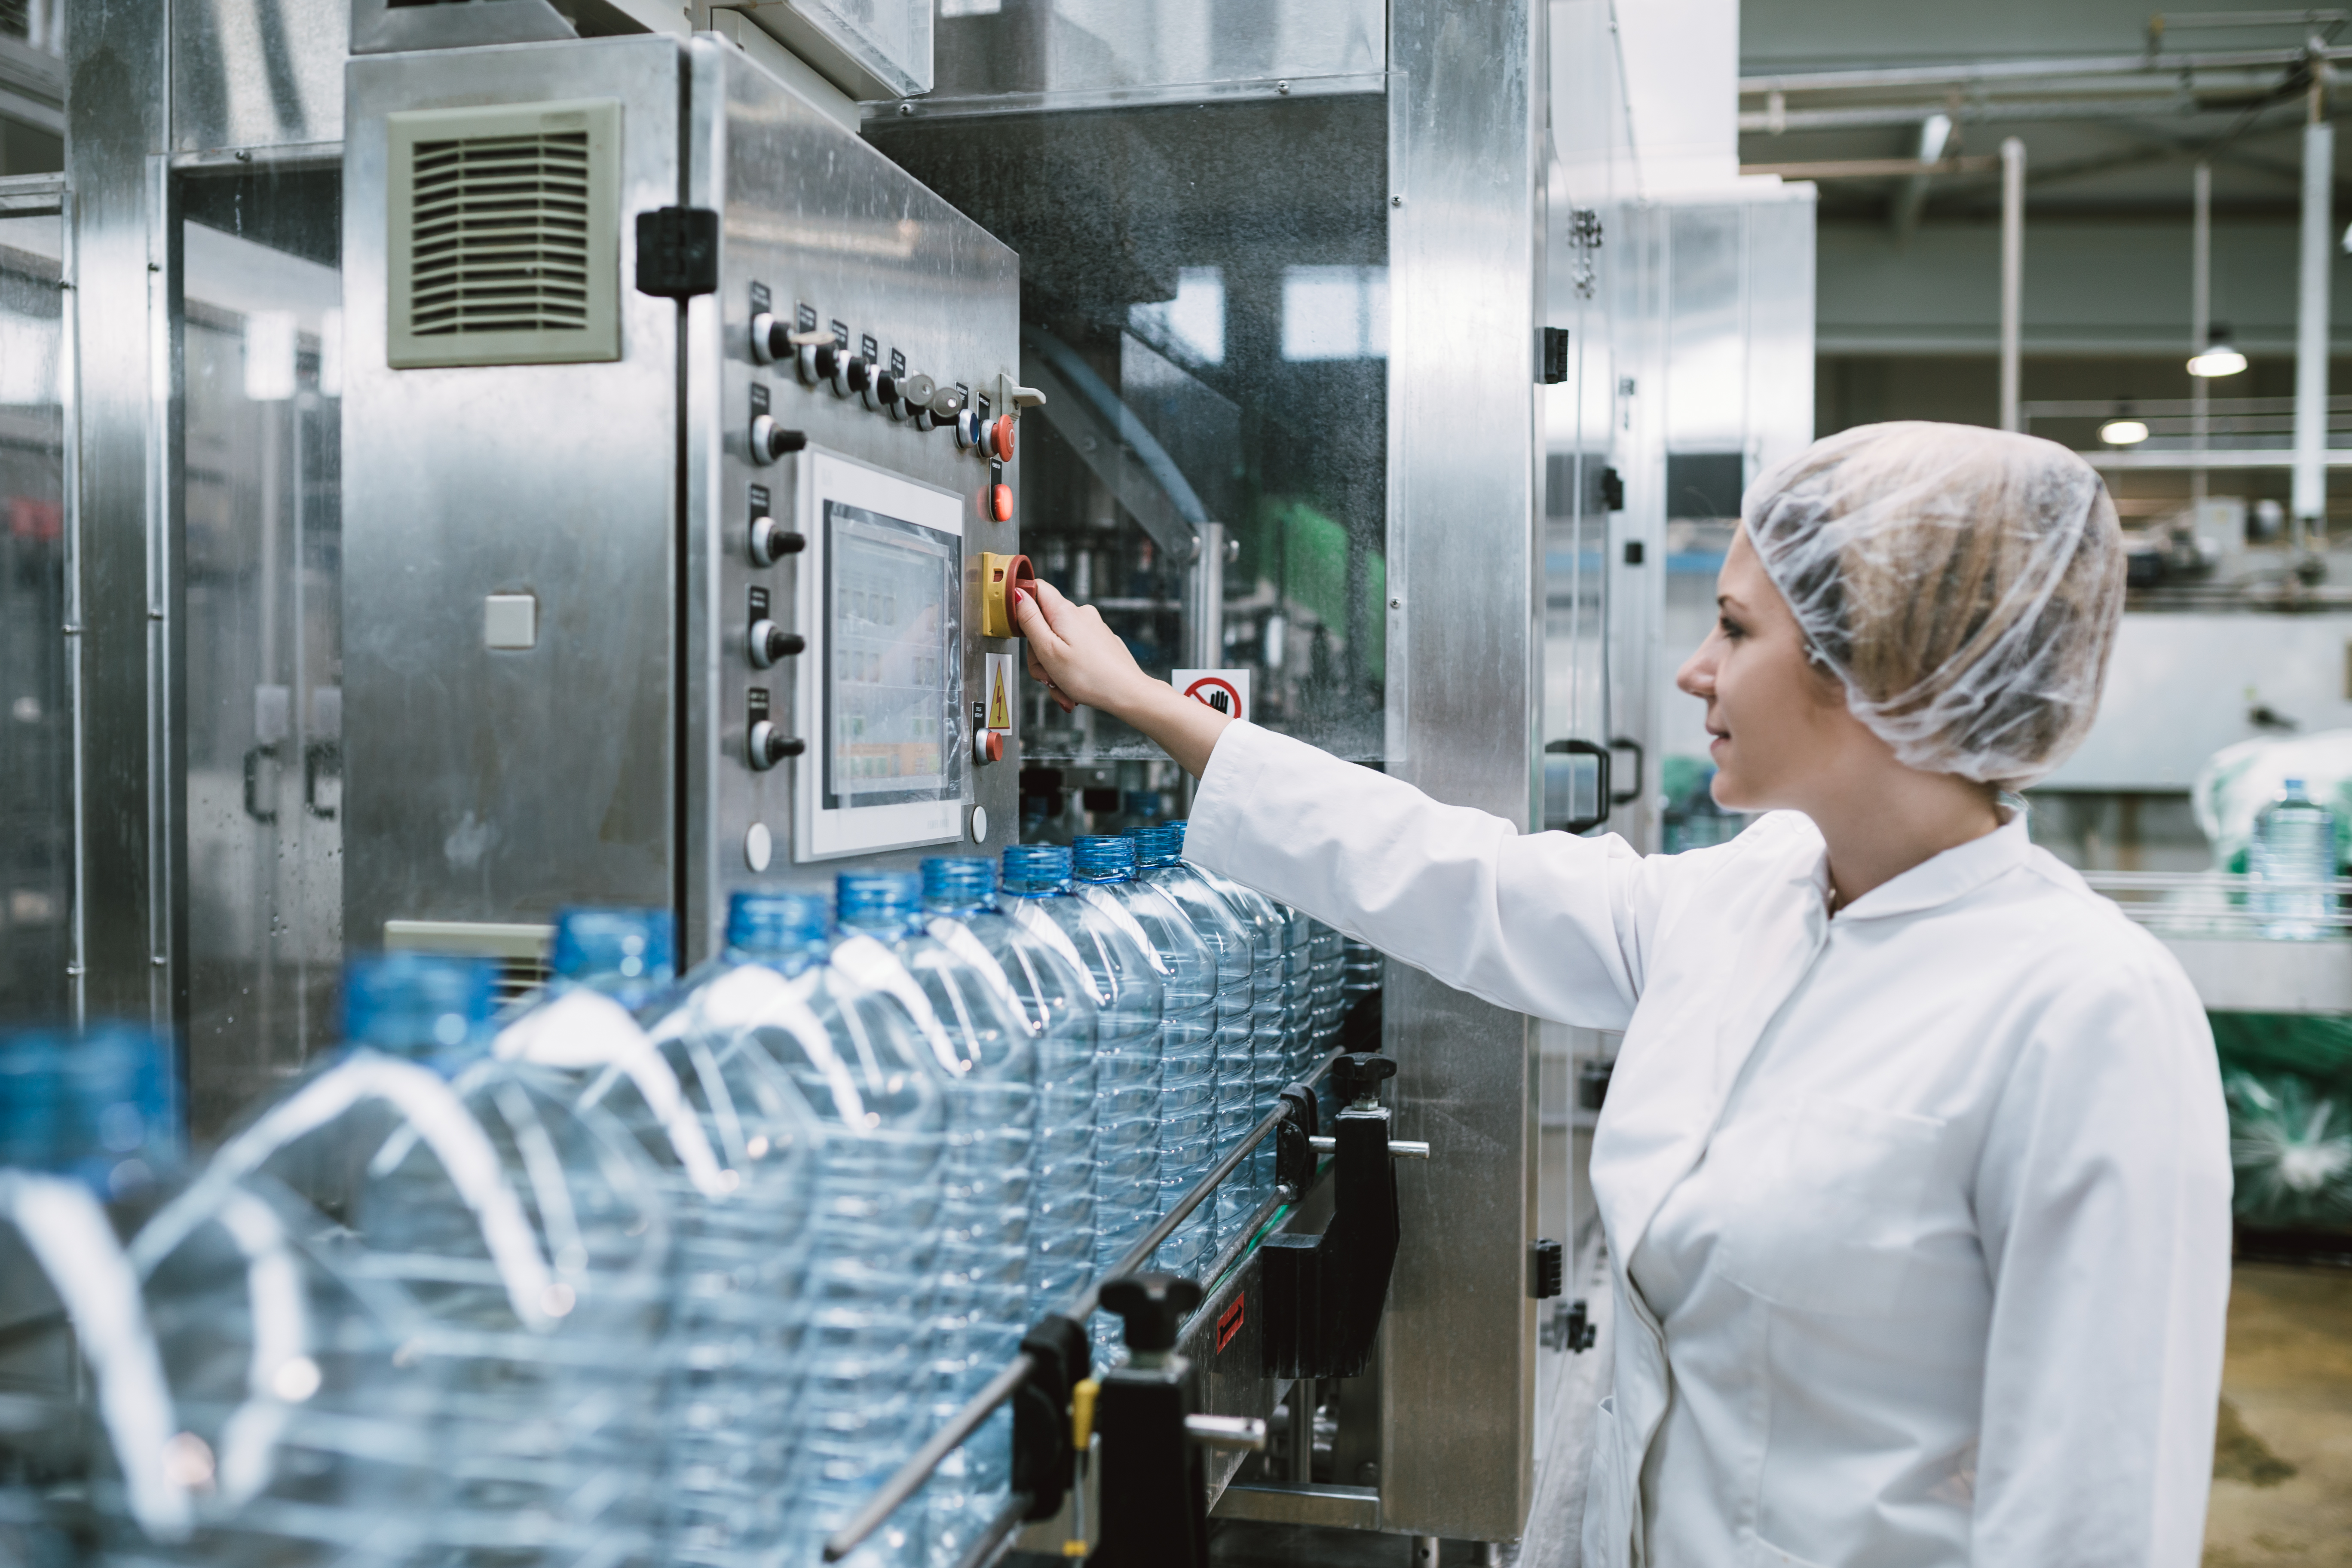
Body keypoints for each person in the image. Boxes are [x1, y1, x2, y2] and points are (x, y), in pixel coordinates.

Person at [1011, 422, 2232, 1568]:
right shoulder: (1758, 897)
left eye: (1737, 632)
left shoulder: (2090, 1013)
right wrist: (1149, 708)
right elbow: (1467, 880)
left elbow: (2097, 1510)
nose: (1696, 673)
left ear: (1877, 667)